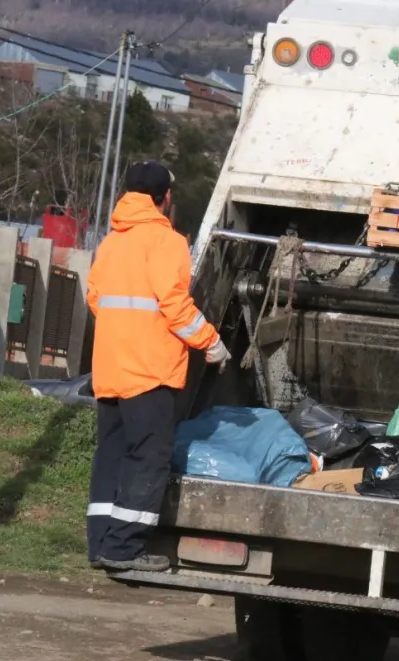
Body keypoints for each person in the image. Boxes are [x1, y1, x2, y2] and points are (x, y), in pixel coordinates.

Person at [85, 161, 231, 572]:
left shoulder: (111, 242)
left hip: (111, 370)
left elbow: (96, 299)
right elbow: (175, 307)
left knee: (111, 454)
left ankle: (101, 544)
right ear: (165, 198)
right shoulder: (168, 242)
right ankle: (124, 548)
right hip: (149, 372)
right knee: (147, 457)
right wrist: (212, 343)